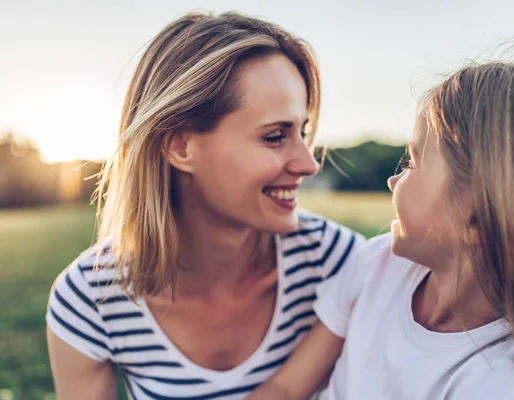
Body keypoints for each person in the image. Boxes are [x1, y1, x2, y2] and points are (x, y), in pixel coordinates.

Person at [45, 11, 364, 400]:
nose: (309, 163)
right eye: (275, 136)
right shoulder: (90, 298)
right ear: (180, 146)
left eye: (303, 132)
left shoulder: (342, 264)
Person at [249, 60, 514, 400]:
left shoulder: (495, 385)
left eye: (413, 163)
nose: (393, 179)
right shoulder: (378, 262)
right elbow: (285, 389)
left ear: (477, 220)